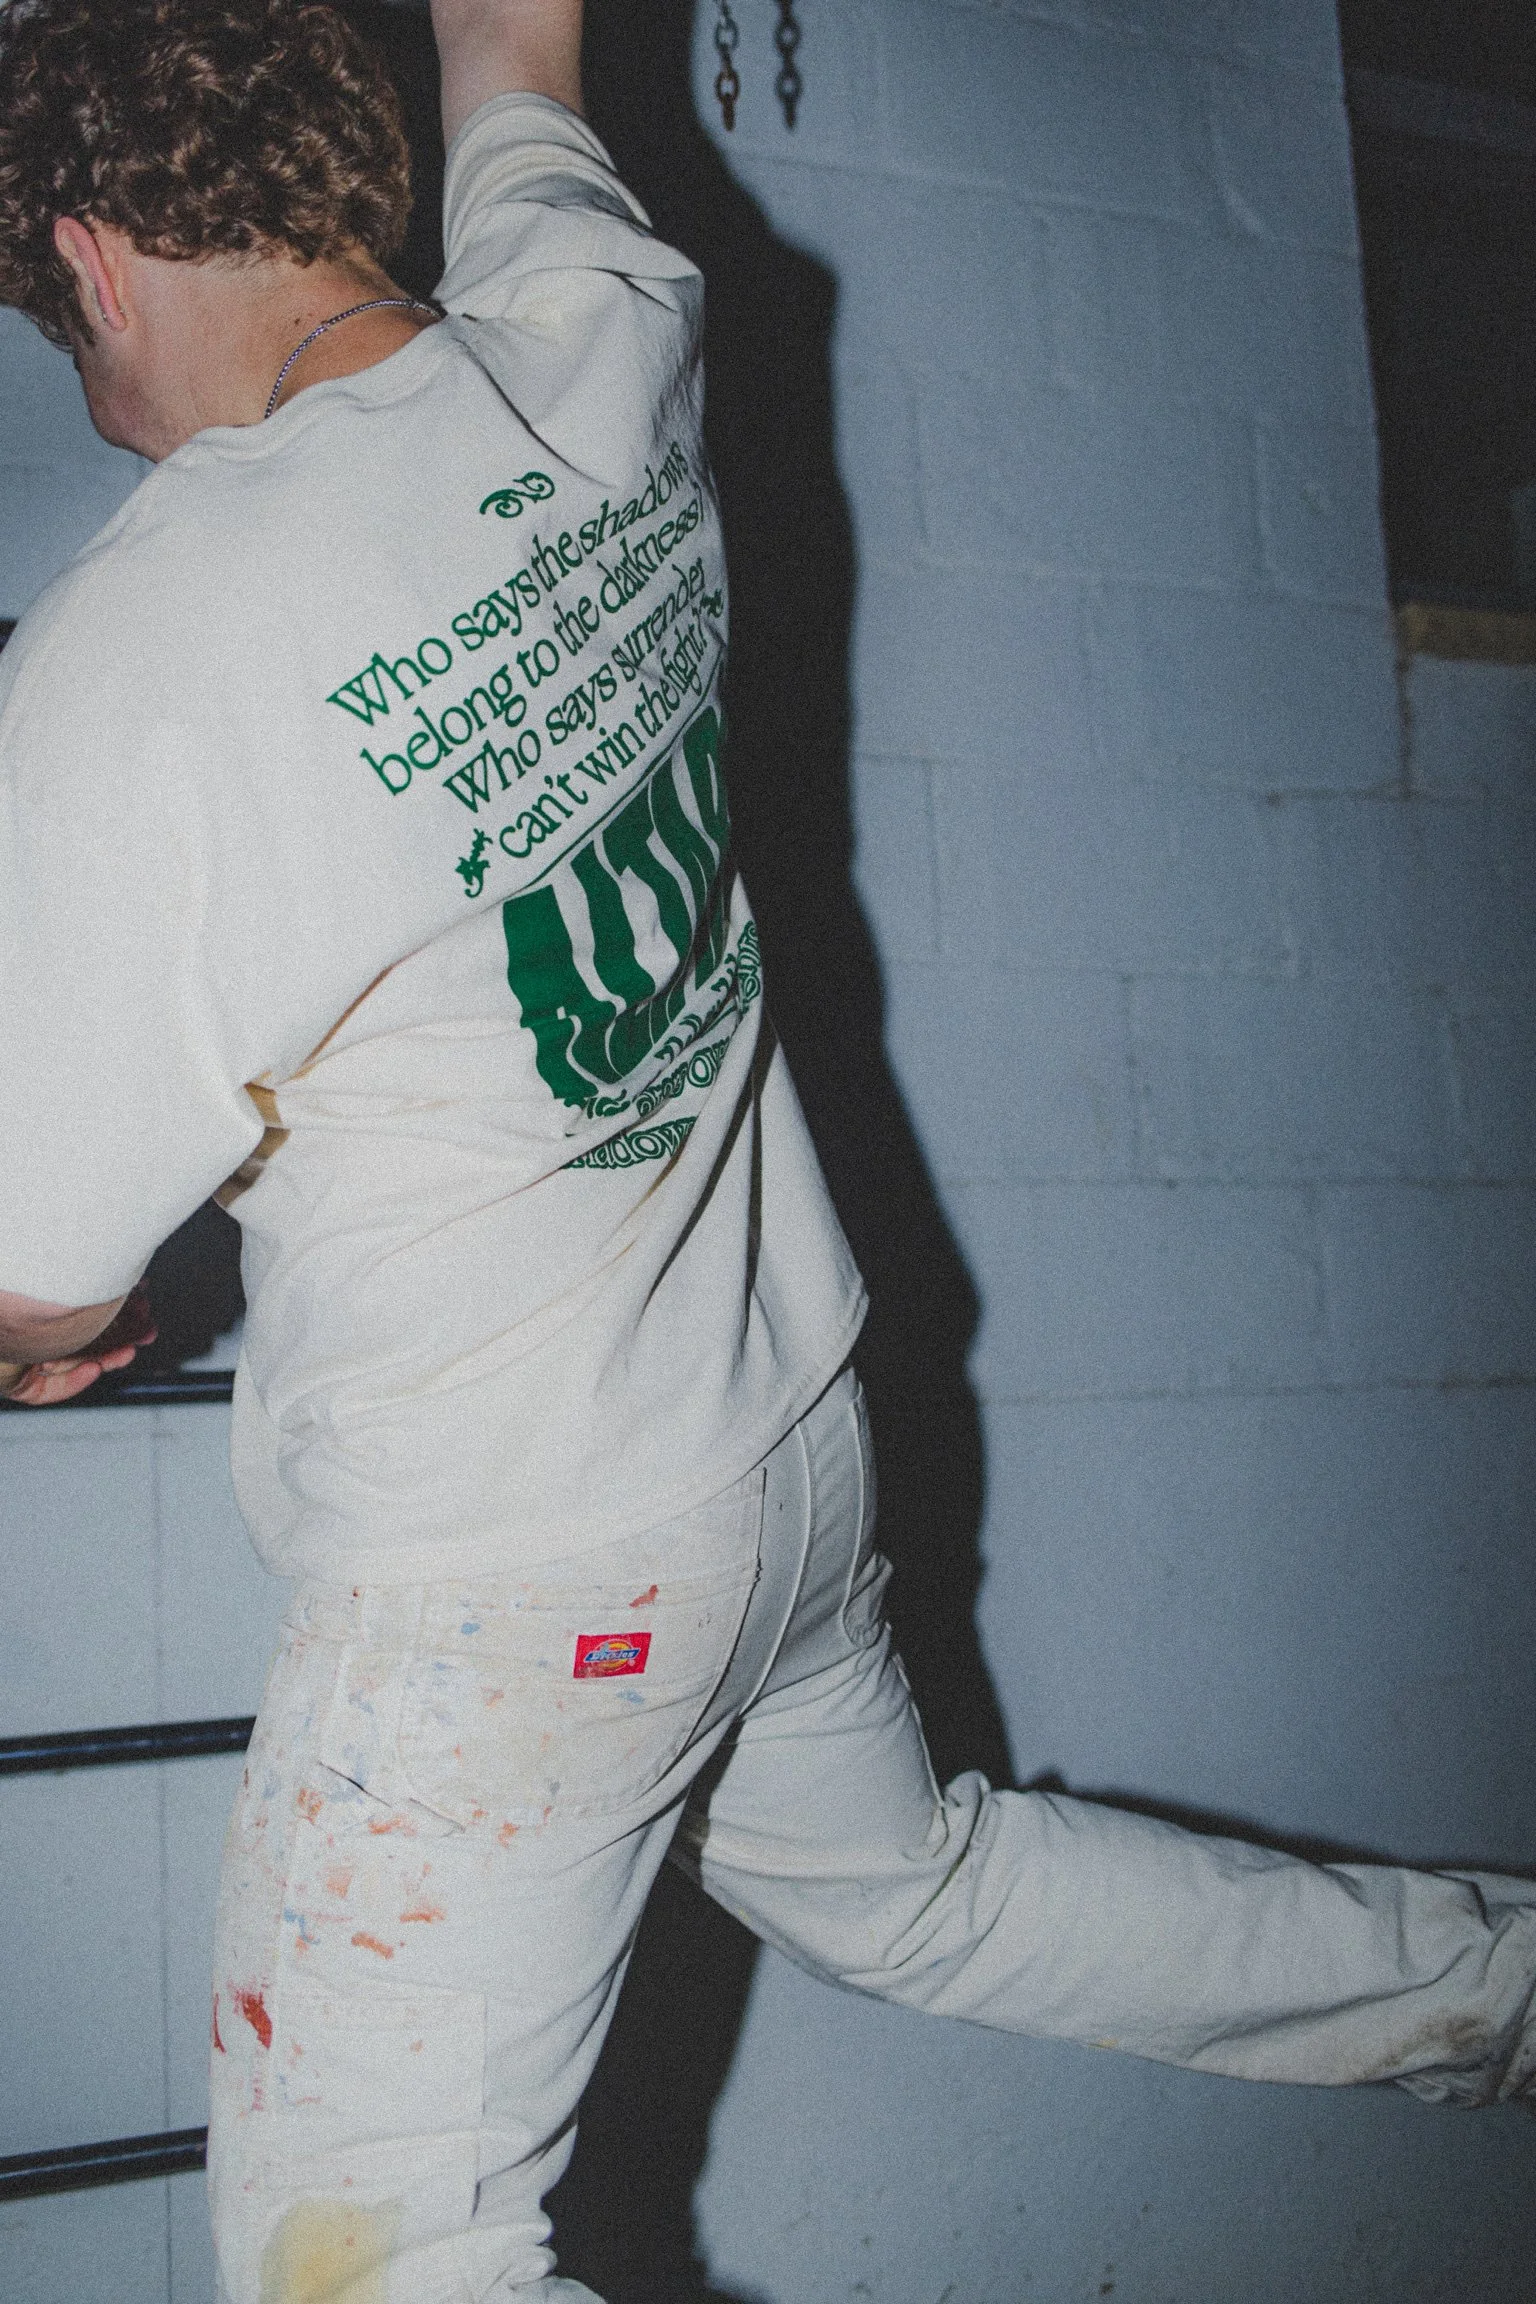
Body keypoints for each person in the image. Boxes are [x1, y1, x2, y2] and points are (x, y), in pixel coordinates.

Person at [0, 2, 1530, 2297]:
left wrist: (48, 1330)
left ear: (92, 258)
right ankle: (1503, 1992)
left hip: (513, 1563)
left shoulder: (146, 647)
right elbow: (516, 46)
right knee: (914, 1890)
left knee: (388, 2268)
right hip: (775, 1448)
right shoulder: (591, 322)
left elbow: (35, 1274)